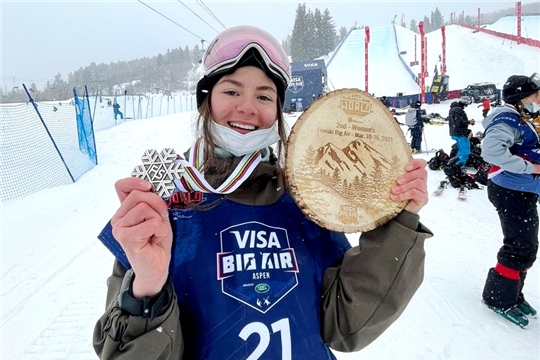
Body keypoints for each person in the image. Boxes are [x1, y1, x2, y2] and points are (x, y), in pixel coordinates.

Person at [93, 25, 432, 359]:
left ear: (277, 113)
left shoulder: (305, 196)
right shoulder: (165, 202)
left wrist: (398, 223)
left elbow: (345, 325)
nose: (247, 107)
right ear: (206, 100)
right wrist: (148, 287)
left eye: (264, 96)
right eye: (231, 91)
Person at [480, 73, 540, 328]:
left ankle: (513, 292)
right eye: (535, 95)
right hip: (510, 190)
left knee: (527, 246)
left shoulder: (519, 117)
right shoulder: (507, 118)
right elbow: (491, 151)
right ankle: (497, 297)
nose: (538, 99)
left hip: (521, 190)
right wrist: (530, 167)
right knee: (520, 246)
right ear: (520, 98)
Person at [448, 96, 475, 167]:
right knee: (464, 151)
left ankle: (457, 165)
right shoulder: (458, 110)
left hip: (455, 132)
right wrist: (469, 122)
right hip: (460, 133)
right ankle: (459, 167)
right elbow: (459, 123)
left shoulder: (453, 109)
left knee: (461, 150)